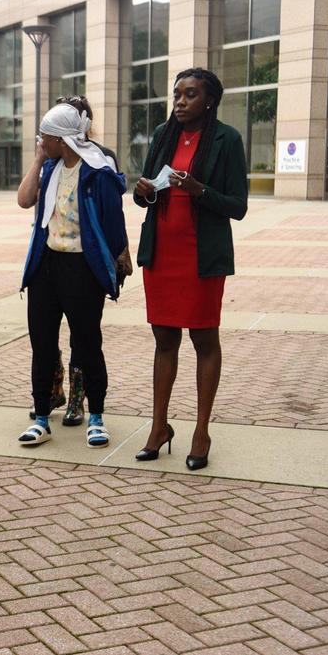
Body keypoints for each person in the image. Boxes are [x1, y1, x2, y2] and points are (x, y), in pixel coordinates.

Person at [131, 68, 248, 471]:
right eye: (177, 94)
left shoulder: (227, 139)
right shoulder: (163, 134)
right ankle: (159, 426)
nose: (180, 101)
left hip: (201, 257)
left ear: (210, 100)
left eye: (190, 94)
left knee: (203, 339)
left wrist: (198, 190)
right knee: (164, 340)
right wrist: (143, 192)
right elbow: (143, 196)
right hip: (161, 254)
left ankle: (201, 430)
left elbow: (238, 205)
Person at [16, 102, 128, 449]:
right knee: (42, 344)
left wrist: (117, 264)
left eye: (45, 136)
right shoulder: (48, 169)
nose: (41, 141)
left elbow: (114, 223)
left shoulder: (98, 170)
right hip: (46, 267)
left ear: (62, 139)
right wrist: (37, 160)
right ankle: (40, 417)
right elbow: (24, 200)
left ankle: (96, 416)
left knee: (87, 343)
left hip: (82, 268)